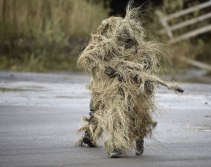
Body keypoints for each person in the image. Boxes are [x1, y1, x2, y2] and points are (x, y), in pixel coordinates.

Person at [77, 5, 183, 158]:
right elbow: (91, 58)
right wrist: (107, 69)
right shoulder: (106, 44)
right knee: (103, 108)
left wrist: (137, 78)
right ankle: (107, 141)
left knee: (134, 114)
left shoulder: (138, 49)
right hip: (108, 86)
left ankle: (136, 138)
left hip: (133, 87)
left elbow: (145, 70)